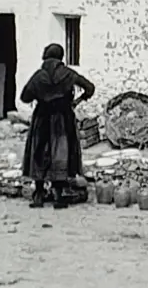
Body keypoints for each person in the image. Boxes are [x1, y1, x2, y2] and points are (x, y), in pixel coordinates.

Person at [20, 43, 95, 209]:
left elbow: (25, 97)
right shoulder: (68, 74)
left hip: (42, 117)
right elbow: (89, 88)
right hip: (63, 117)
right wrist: (77, 101)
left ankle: (39, 194)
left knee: (40, 152)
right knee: (61, 152)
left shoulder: (38, 76)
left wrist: (40, 94)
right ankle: (59, 195)